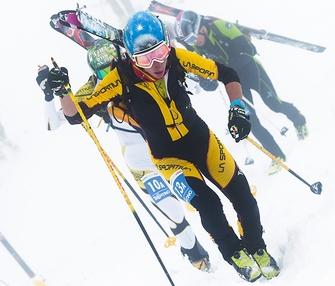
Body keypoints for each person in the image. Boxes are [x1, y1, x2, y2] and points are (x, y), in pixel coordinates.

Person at [46, 11, 280, 283]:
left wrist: (237, 107)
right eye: (146, 58)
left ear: (167, 43)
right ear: (132, 58)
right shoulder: (120, 77)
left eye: (160, 52)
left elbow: (226, 73)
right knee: (208, 204)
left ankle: (257, 248)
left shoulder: (177, 58)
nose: (157, 63)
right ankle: (234, 253)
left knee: (243, 196)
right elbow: (76, 115)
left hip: (202, 141)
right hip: (170, 159)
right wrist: (63, 92)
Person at [36, 39, 210, 272]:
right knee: (173, 210)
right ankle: (195, 254)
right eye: (103, 71)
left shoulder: (137, 71)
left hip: (168, 149)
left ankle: (226, 236)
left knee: (197, 198)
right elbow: (53, 124)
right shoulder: (93, 89)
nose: (110, 74)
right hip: (140, 162)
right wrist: (51, 93)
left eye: (113, 66)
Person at [174, 10, 309, 174]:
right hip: (236, 82)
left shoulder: (221, 27)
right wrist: (207, 81)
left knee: (274, 104)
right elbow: (210, 82)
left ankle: (299, 120)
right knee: (251, 121)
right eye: (189, 41)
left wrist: (222, 70)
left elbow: (248, 50)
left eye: (194, 37)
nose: (195, 43)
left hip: (252, 71)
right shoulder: (197, 48)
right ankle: (276, 155)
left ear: (200, 28)